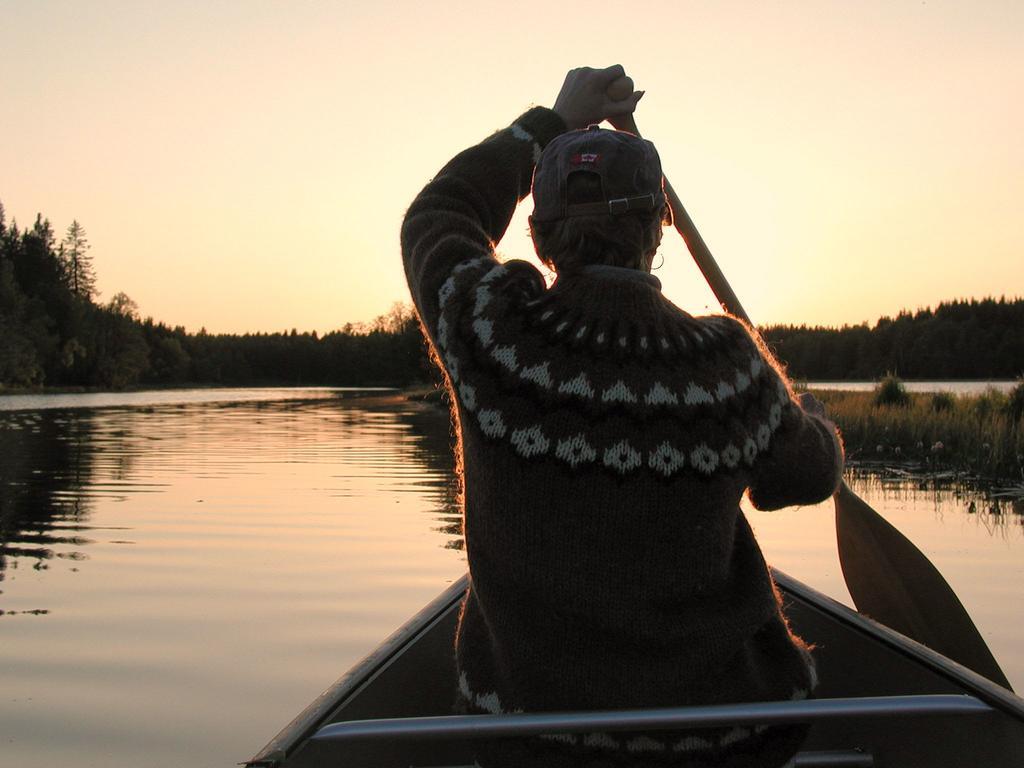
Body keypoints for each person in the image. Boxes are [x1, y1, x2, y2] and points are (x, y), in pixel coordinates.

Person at [400, 65, 844, 768]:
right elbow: (803, 476)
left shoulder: (492, 330)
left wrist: (549, 123)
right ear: (657, 229)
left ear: (540, 234)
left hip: (531, 743)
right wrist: (813, 422)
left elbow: (438, 215)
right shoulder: (728, 362)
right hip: (729, 741)